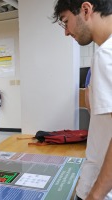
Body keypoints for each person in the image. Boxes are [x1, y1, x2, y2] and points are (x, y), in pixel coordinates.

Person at [52, 1, 112, 199]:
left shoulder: (105, 55)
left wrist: (95, 195)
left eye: (66, 21)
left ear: (86, 10)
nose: (66, 32)